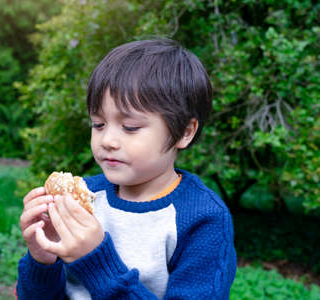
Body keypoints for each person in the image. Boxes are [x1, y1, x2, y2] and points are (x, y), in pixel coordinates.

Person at [16, 39, 237, 299]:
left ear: (185, 132)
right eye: (98, 124)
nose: (107, 140)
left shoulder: (203, 219)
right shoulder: (86, 197)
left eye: (130, 127)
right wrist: (43, 260)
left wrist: (95, 261)